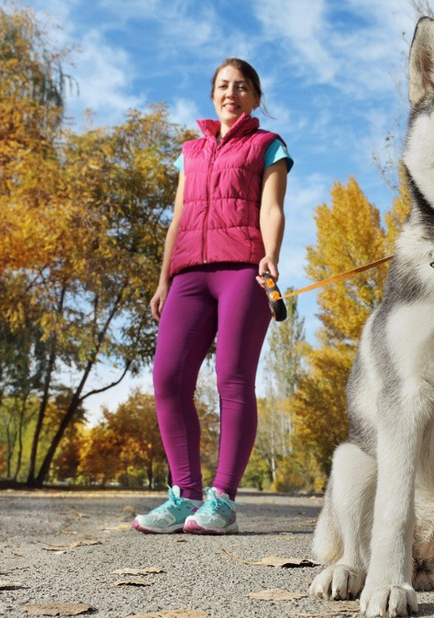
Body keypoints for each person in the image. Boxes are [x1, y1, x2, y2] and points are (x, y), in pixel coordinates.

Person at [132, 58, 293, 535]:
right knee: (167, 378)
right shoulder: (190, 152)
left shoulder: (268, 145)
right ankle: (185, 496)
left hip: (243, 268)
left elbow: (272, 207)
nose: (231, 93)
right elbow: (178, 218)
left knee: (233, 379)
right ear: (212, 95)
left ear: (255, 98)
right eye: (223, 86)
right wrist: (164, 279)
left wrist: (271, 256)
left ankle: (222, 500)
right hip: (188, 274)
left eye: (241, 86)